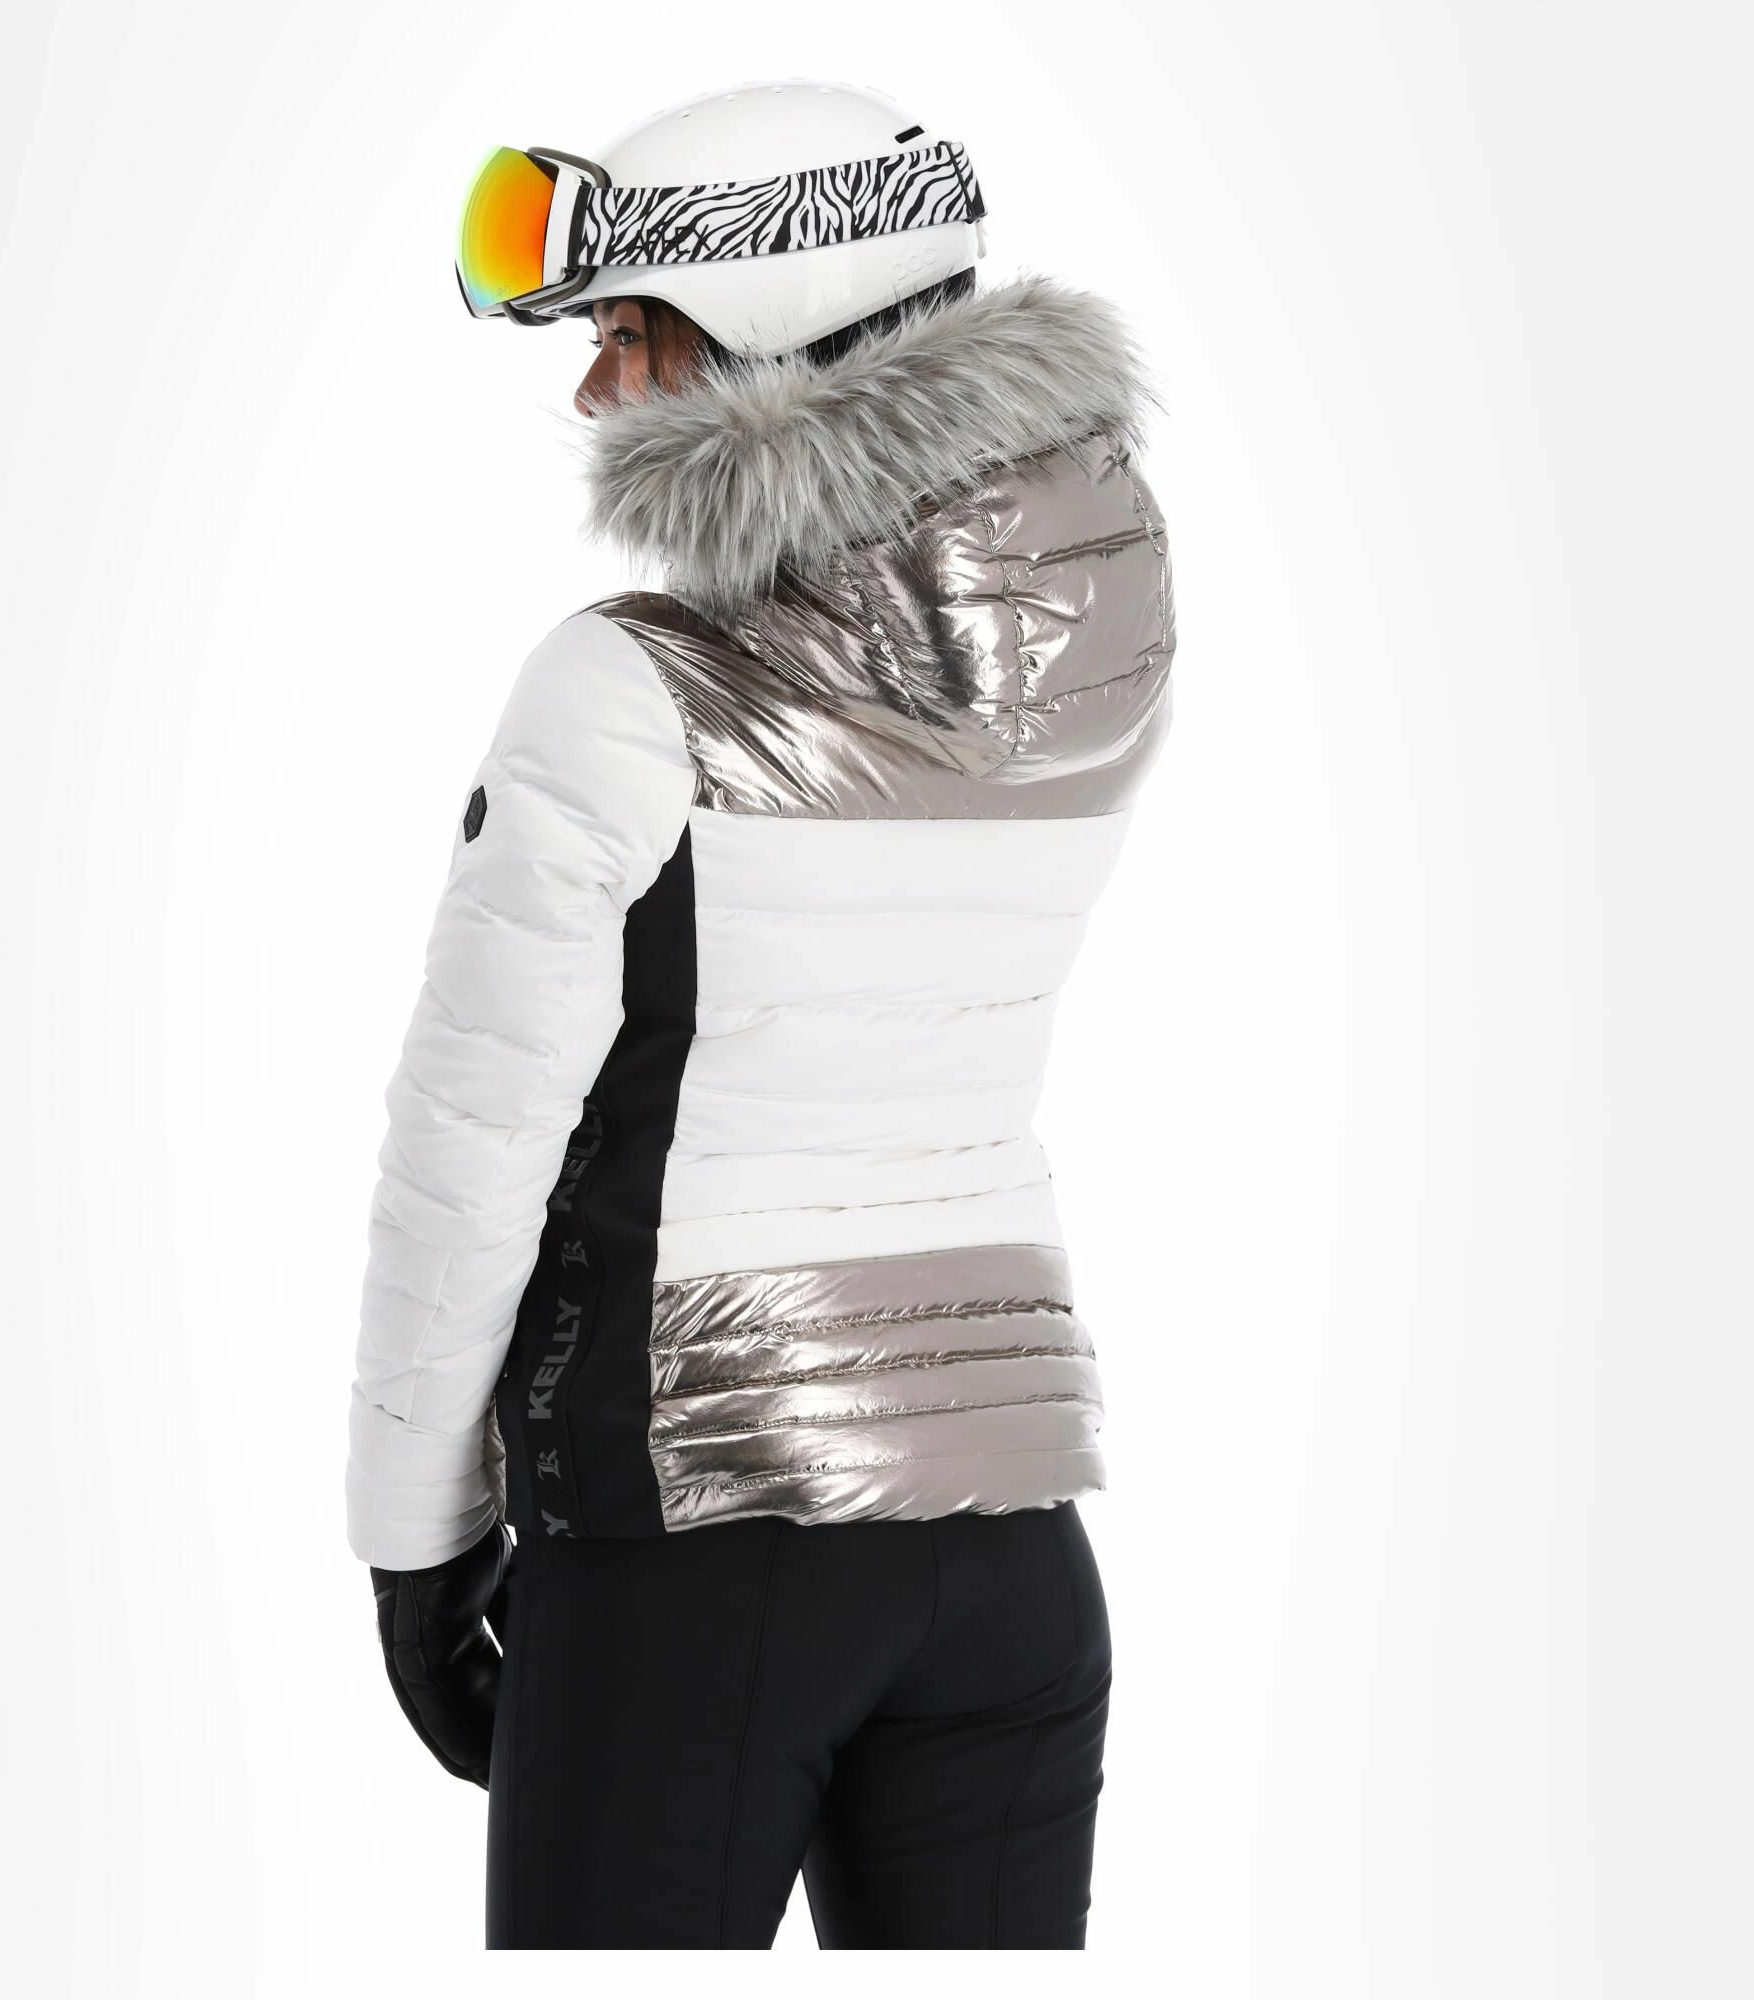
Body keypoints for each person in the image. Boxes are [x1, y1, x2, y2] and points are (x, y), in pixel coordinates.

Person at [347, 79, 1175, 1950]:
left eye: (627, 334)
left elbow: (468, 1153)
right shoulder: (1095, 680)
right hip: (1015, 1556)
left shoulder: (624, 695)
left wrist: (414, 1544)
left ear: (759, 336)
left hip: (690, 1549)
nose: (590, 393)